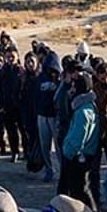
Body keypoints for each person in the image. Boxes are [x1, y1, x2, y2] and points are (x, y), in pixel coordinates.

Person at [60, 73, 100, 212]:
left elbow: (78, 138)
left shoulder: (83, 112)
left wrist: (68, 152)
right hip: (83, 154)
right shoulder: (87, 106)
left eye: (73, 86)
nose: (71, 89)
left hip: (79, 157)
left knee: (79, 189)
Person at [36, 50, 63, 181]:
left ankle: (63, 169)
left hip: (54, 116)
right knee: (44, 145)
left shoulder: (60, 81)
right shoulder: (40, 78)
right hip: (42, 115)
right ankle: (49, 169)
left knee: (58, 146)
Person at [0, 47, 25, 161]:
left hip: (20, 107)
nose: (10, 59)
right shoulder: (1, 71)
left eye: (13, 56)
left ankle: (26, 152)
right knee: (11, 131)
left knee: (23, 130)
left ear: (17, 57)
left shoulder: (21, 71)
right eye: (8, 57)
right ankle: (14, 152)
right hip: (7, 106)